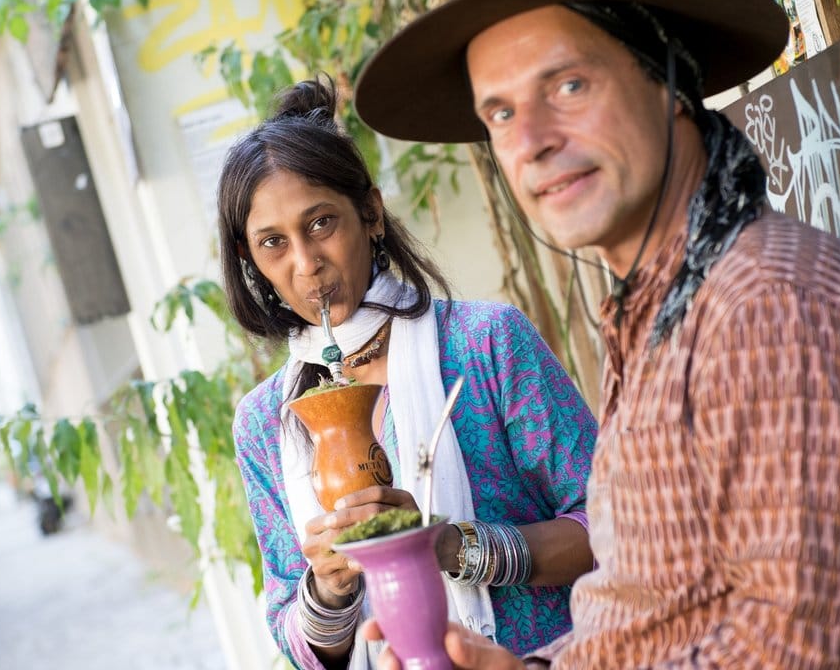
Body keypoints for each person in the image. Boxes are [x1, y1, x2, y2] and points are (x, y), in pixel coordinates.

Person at [353, 0, 840, 668]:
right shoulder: (664, 310)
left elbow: (805, 651)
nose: (533, 141)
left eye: (568, 85)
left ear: (668, 76)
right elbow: (657, 615)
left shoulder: (767, 311)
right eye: (502, 112)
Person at [220, 76, 598, 670]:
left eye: (321, 223)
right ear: (250, 261)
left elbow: (614, 525)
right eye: (273, 243)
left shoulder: (484, 344)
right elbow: (296, 642)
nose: (306, 261)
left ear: (370, 212)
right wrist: (329, 586)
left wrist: (452, 546)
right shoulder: (267, 422)